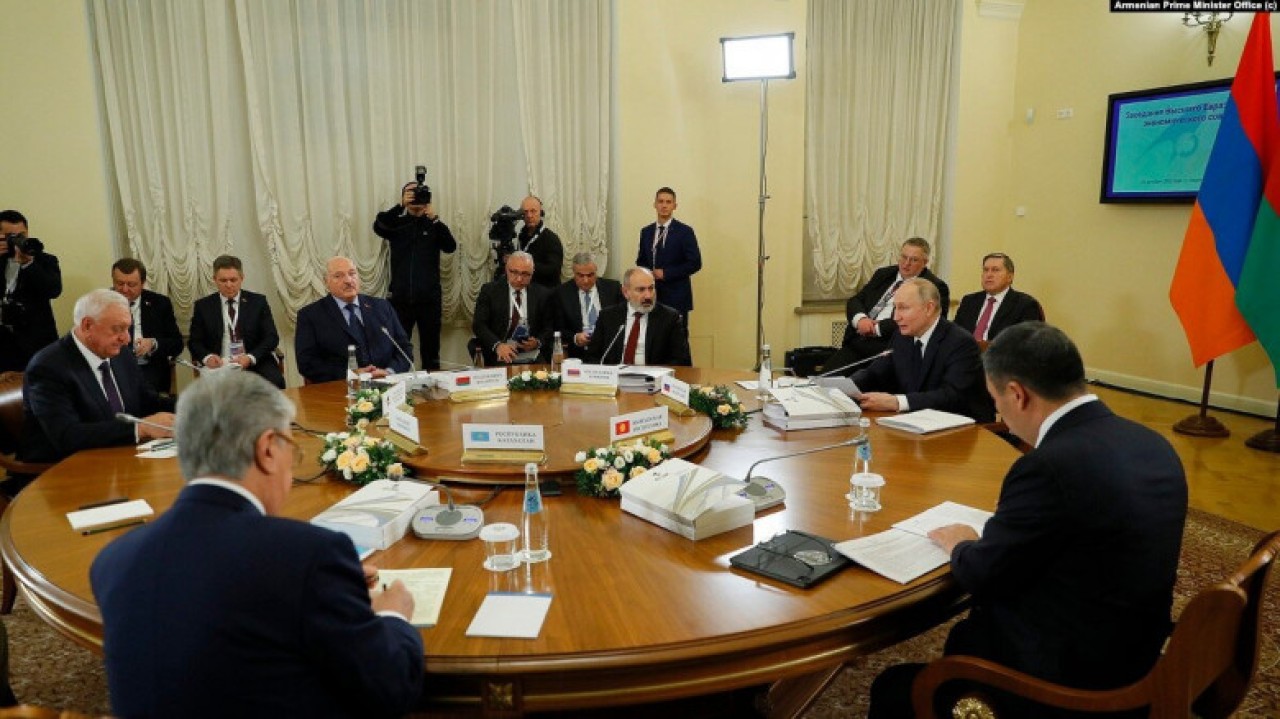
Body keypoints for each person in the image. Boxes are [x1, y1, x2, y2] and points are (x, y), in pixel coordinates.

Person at [868, 322, 1188, 718]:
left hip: (1063, 686)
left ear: (1017, 394)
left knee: (893, 689)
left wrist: (962, 542)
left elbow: (983, 574)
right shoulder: (1152, 443)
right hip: (1136, 656)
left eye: (996, 402)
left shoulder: (1048, 466)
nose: (1000, 415)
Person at [90, 370, 423, 717]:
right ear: (267, 449)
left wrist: (334, 588)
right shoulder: (307, 554)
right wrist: (392, 614)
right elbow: (392, 687)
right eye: (291, 450)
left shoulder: (112, 560)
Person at [14, 290, 175, 493]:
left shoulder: (120, 354)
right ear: (87, 325)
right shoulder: (48, 367)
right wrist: (140, 428)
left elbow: (147, 401)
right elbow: (67, 436)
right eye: (118, 329)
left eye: (128, 328)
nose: (126, 339)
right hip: (62, 475)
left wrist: (197, 405)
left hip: (119, 460)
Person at [850, 278, 993, 422]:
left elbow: (952, 396)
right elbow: (875, 373)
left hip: (965, 426)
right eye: (895, 308)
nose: (896, 317)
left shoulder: (960, 342)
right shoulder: (901, 337)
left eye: (903, 308)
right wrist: (847, 386)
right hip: (917, 421)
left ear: (929, 308)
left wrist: (897, 402)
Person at [826, 237, 950, 372]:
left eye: (914, 260)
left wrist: (876, 328)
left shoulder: (935, 287)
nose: (906, 263)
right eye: (904, 257)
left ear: (925, 263)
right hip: (858, 339)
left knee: (861, 382)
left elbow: (926, 324)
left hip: (890, 348)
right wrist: (861, 320)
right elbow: (856, 300)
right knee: (825, 377)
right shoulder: (884, 274)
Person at [373, 179, 457, 370]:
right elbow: (379, 226)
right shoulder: (397, 224)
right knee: (398, 349)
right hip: (400, 299)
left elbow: (450, 246)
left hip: (429, 299)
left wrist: (434, 218)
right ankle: (398, 385)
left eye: (418, 194)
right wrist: (400, 206)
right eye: (410, 194)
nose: (415, 197)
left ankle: (433, 386)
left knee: (431, 350)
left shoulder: (434, 225)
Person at [296, 256, 413, 383]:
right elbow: (306, 363)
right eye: (338, 276)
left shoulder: (382, 307)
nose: (348, 280)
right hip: (339, 387)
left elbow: (404, 349)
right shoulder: (310, 315)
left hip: (386, 383)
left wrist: (389, 372)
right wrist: (350, 374)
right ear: (326, 282)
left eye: (352, 273)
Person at [188, 255, 285, 389]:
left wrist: (250, 357)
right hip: (220, 364)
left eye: (233, 280)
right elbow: (194, 342)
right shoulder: (203, 306)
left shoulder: (258, 302)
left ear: (242, 278)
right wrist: (207, 357)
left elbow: (271, 337)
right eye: (223, 280)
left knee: (276, 381)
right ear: (215, 279)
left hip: (253, 361)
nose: (229, 285)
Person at [585, 267, 691, 366]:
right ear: (626, 292)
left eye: (651, 288)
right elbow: (593, 357)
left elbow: (681, 360)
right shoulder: (607, 316)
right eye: (641, 290)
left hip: (652, 378)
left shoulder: (670, 318)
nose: (648, 295)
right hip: (615, 376)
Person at [0, 210, 62, 373]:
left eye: (21, 235)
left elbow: (54, 290)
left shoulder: (45, 260)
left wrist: (29, 264)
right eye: (10, 237)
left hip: (37, 342)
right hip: (5, 343)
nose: (17, 241)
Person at [111, 258, 184, 394]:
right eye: (119, 283)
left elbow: (177, 343)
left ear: (143, 283)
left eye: (131, 284)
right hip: (113, 369)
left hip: (149, 369)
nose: (125, 289)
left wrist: (153, 343)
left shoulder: (160, 303)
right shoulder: (102, 303)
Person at [470, 251, 551, 365]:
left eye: (525, 274)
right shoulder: (490, 291)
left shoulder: (542, 294)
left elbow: (549, 327)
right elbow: (479, 325)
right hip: (499, 350)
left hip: (529, 352)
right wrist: (498, 346)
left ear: (532, 273)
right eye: (514, 272)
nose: (519, 279)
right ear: (506, 270)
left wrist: (537, 342)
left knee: (543, 373)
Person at [635, 187, 701, 322]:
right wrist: (646, 274)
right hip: (651, 294)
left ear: (674, 206)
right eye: (660, 201)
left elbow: (695, 263)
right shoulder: (646, 232)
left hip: (677, 296)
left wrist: (666, 273)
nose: (664, 205)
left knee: (678, 333)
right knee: (652, 332)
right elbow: (641, 260)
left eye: (668, 202)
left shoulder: (685, 232)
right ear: (654, 204)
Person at [953, 252, 1044, 343]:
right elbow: (955, 334)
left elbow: (1027, 343)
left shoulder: (1025, 305)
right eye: (986, 270)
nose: (989, 275)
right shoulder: (969, 301)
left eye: (995, 270)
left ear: (1010, 277)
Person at [551, 252, 624, 360]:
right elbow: (557, 327)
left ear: (596, 271)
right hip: (578, 353)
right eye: (580, 275)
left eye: (590, 275)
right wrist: (575, 337)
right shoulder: (561, 293)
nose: (586, 280)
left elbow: (623, 319)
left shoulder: (613, 288)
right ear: (574, 273)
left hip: (610, 348)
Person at [513, 195, 564, 289]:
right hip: (526, 289)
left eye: (533, 211)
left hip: (546, 292)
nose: (529, 215)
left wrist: (526, 265)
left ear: (541, 213)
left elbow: (553, 271)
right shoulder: (521, 235)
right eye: (525, 212)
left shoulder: (551, 239)